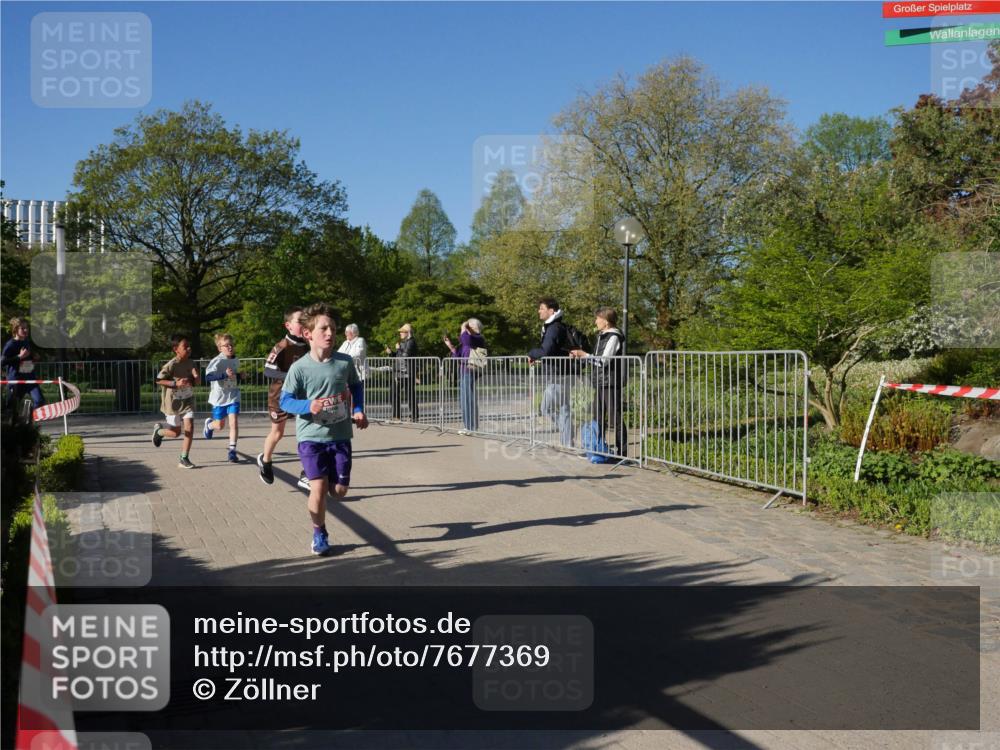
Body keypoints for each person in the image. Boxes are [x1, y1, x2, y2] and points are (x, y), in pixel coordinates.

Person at [279, 303, 368, 556]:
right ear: (308, 334)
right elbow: (285, 401)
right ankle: (319, 532)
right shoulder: (299, 368)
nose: (330, 333)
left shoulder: (344, 362)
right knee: (318, 489)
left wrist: (358, 409)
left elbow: (356, 386)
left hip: (340, 436)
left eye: (333, 329)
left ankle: (320, 477)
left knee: (339, 492)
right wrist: (309, 405)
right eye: (324, 328)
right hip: (311, 436)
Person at [257, 306, 310, 486]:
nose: (304, 324)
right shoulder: (281, 346)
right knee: (277, 433)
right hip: (279, 397)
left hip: (300, 397)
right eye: (299, 321)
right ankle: (266, 461)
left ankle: (307, 472)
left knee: (306, 431)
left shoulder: (308, 345)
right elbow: (267, 371)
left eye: (306, 321)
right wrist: (291, 375)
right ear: (288, 325)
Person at [570, 307, 627, 456]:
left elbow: (603, 361)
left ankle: (623, 453)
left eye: (597, 318)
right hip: (600, 382)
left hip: (611, 382)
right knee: (598, 417)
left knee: (615, 418)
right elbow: (595, 360)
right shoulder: (602, 336)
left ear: (606, 321)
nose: (595, 321)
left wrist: (584, 355)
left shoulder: (613, 337)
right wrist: (581, 356)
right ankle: (598, 449)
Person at [527, 298, 574, 448]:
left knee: (546, 408)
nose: (538, 311)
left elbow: (546, 351)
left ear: (551, 311)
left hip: (558, 375)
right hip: (561, 373)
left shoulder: (553, 328)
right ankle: (567, 441)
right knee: (563, 409)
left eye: (541, 308)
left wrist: (532, 353)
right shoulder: (555, 326)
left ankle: (567, 436)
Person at [151, 334, 200, 469]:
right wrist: (175, 383)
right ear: (176, 349)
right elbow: (158, 380)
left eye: (189, 346)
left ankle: (184, 458)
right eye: (185, 347)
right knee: (176, 433)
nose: (189, 349)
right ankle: (159, 432)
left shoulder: (191, 363)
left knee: (189, 428)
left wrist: (195, 377)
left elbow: (197, 382)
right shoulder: (171, 365)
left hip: (187, 401)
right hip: (173, 404)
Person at [203, 333, 242, 463]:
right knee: (220, 425)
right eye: (227, 346)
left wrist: (240, 375)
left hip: (233, 396)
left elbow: (233, 376)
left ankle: (232, 451)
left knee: (234, 423)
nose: (230, 347)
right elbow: (208, 377)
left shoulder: (236, 360)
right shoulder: (217, 361)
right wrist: (223, 375)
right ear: (220, 348)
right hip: (219, 398)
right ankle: (209, 425)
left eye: (231, 345)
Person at [444, 318, 486, 434]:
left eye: (468, 326)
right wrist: (451, 346)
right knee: (463, 399)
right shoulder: (468, 340)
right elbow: (458, 356)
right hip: (464, 371)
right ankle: (467, 426)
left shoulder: (478, 338)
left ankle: (471, 427)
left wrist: (464, 328)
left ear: (473, 327)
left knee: (469, 398)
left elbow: (466, 340)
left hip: (471, 371)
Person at [3, 317, 45, 416]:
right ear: (15, 330)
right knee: (11, 408)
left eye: (27, 328)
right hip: (16, 380)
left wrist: (34, 357)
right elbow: (2, 362)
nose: (26, 330)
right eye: (22, 328)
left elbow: (26, 358)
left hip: (30, 378)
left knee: (39, 401)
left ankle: (27, 422)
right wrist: (19, 357)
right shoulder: (10, 344)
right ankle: (12, 427)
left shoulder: (26, 341)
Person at [385, 323, 419, 422]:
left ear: (407, 333)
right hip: (400, 372)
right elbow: (399, 356)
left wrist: (398, 348)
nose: (400, 333)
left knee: (410, 394)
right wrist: (391, 353)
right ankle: (397, 416)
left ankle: (414, 416)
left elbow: (406, 355)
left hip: (408, 372)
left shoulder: (411, 342)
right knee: (394, 392)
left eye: (402, 332)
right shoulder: (405, 342)